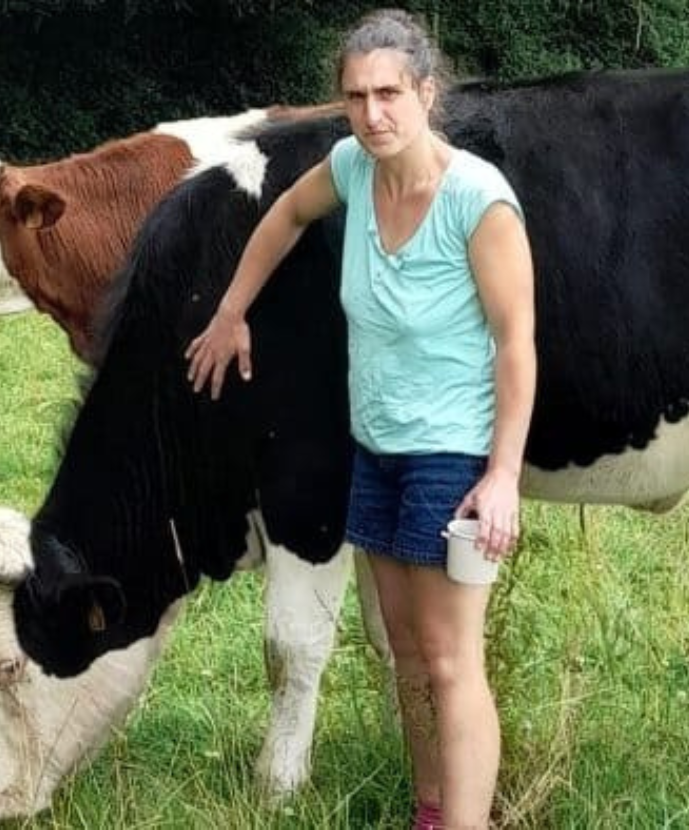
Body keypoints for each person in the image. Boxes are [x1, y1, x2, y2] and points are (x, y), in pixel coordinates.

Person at [185, 8, 535, 829]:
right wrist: (232, 310)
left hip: (450, 459)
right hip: (375, 451)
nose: (372, 114)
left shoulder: (478, 202)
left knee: (450, 660)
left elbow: (518, 344)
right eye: (355, 96)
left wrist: (503, 475)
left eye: (389, 94)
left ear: (426, 92)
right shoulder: (350, 167)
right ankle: (431, 809)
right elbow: (284, 215)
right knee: (406, 655)